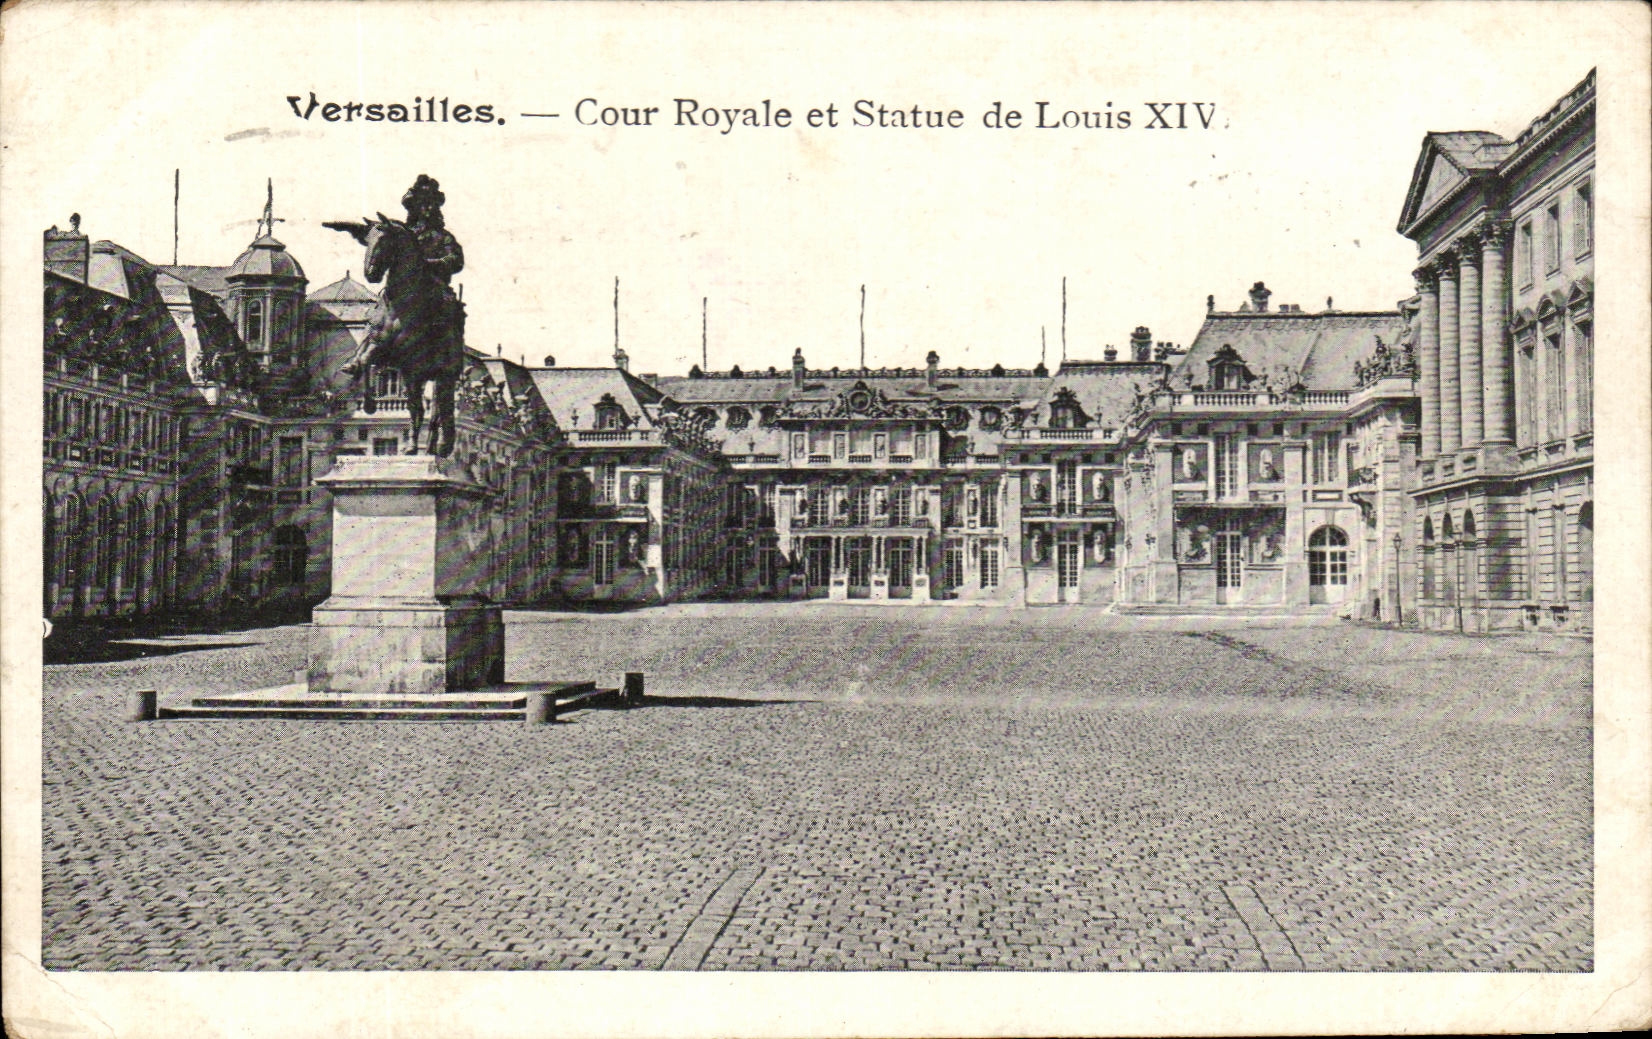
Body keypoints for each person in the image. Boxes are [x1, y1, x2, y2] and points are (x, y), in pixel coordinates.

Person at [342, 174, 466, 378]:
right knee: (379, 312)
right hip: (400, 287)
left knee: (447, 308)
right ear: (413, 208)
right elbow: (382, 246)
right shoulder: (402, 233)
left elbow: (456, 260)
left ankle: (445, 356)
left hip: (433, 285)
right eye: (422, 205)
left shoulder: (443, 236)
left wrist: (431, 264)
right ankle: (360, 357)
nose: (427, 209)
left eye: (431, 205)